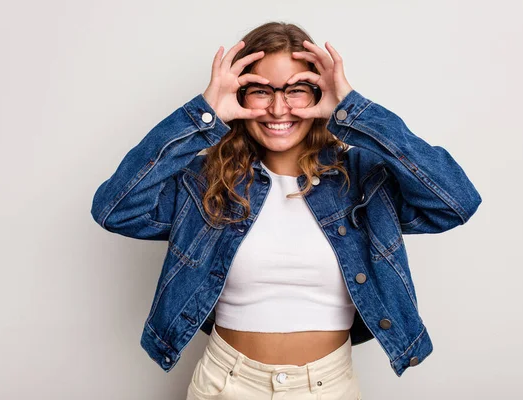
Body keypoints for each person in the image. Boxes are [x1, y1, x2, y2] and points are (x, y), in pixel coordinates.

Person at [91, 21, 482, 400]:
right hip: (224, 384)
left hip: (329, 386)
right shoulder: (206, 182)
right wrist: (204, 113)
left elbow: (455, 201)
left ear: (319, 94)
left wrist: (353, 109)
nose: (279, 108)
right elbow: (116, 209)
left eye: (297, 89)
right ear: (239, 96)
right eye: (261, 90)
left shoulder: (362, 180)